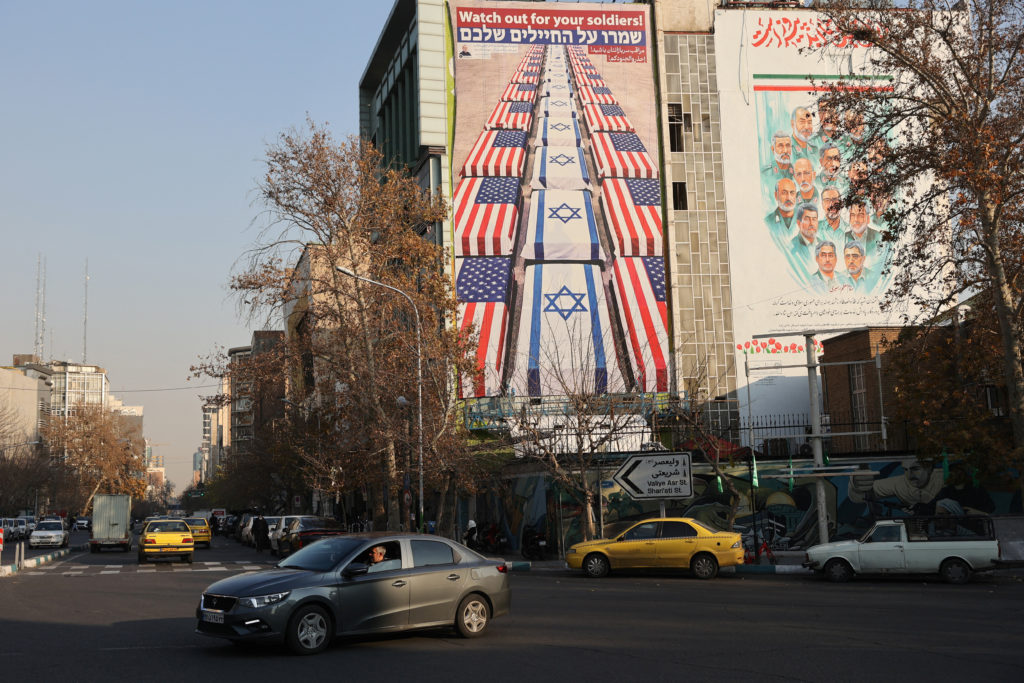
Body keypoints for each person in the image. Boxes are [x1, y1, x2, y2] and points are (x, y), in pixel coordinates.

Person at [848, 457, 944, 514]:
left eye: (915, 469)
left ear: (929, 468)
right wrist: (855, 484)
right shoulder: (899, 483)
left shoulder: (943, 478)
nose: (909, 475)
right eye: (905, 469)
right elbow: (859, 497)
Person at [764, 177, 799, 248]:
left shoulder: (804, 217)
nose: (788, 198)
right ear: (776, 196)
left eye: (792, 193)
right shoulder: (767, 222)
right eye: (784, 193)